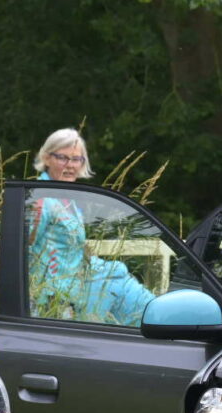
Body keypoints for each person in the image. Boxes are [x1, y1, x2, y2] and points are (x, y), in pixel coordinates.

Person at [23, 128, 156, 324]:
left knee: (119, 276)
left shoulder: (67, 198)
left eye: (76, 159)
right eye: (62, 158)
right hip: (50, 302)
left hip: (71, 295)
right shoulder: (40, 200)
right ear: (46, 157)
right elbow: (22, 252)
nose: (70, 165)